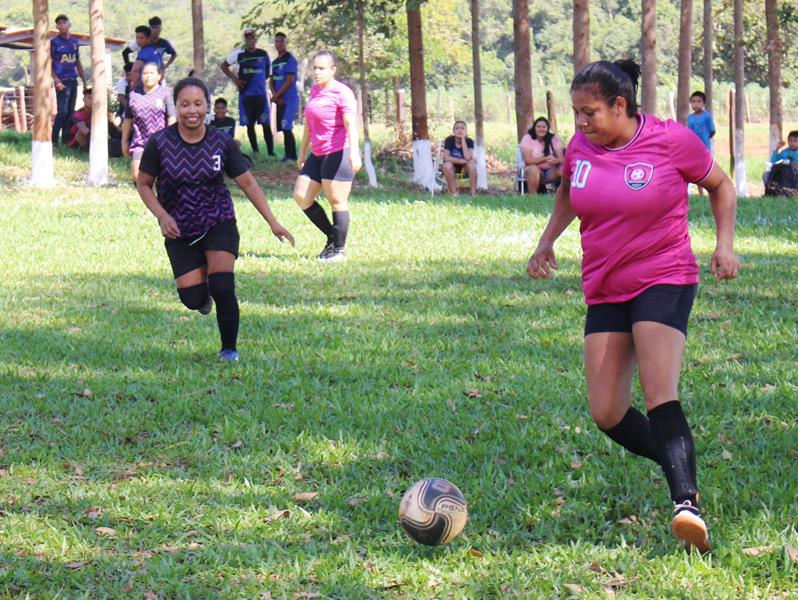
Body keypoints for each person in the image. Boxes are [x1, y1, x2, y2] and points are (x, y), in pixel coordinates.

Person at [526, 60, 739, 553]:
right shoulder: (581, 146)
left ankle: (686, 503)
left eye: (590, 112)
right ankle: (677, 459)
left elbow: (721, 186)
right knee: (606, 411)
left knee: (658, 391)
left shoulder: (670, 140)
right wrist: (546, 242)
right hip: (604, 283)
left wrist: (724, 245)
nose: (579, 124)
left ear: (620, 106)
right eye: (576, 113)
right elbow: (567, 194)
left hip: (664, 275)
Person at [136, 77, 294, 362]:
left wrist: (273, 221)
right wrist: (162, 215)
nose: (191, 110)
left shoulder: (221, 142)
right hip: (179, 229)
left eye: (198, 103)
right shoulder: (160, 143)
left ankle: (229, 350)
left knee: (223, 285)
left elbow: (247, 183)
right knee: (193, 299)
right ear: (177, 106)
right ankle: (201, 292)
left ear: (207, 106)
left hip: (218, 221)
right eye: (185, 104)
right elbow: (144, 183)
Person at [293, 50, 361, 262]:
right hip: (318, 152)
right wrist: (302, 152)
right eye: (314, 68)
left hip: (339, 151)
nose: (316, 72)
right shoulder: (314, 91)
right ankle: (333, 235)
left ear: (333, 70)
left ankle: (339, 250)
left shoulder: (342, 92)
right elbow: (308, 126)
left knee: (336, 200)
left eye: (321, 68)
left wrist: (355, 153)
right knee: (301, 195)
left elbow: (351, 123)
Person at [220, 29, 275, 156]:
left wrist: (260, 81)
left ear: (255, 39)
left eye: (252, 37)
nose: (250, 40)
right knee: (250, 124)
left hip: (260, 95)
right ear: (245, 40)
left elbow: (268, 72)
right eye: (248, 38)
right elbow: (223, 66)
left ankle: (271, 152)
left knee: (266, 124)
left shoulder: (263, 54)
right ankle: (255, 150)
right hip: (246, 95)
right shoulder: (239, 54)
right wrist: (235, 79)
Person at [122, 62, 176, 181]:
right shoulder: (133, 95)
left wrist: (171, 139)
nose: (148, 76)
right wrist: (124, 141)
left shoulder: (166, 94)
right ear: (141, 76)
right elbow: (128, 120)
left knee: (161, 177)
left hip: (161, 142)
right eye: (145, 73)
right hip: (139, 142)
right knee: (138, 176)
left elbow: (172, 118)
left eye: (152, 73)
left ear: (159, 76)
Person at [50, 14, 86, 145]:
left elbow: (78, 62)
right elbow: (49, 62)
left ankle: (66, 141)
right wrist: (56, 80)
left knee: (70, 112)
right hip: (62, 80)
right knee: (62, 112)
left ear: (69, 24)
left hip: (73, 80)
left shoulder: (75, 42)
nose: (61, 25)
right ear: (57, 26)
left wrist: (84, 81)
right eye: (59, 23)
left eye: (64, 22)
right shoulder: (54, 42)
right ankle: (53, 141)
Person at [269, 32, 299, 161]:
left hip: (290, 98)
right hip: (279, 99)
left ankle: (291, 156)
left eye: (282, 41)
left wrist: (277, 96)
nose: (279, 43)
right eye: (277, 41)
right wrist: (275, 96)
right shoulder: (274, 62)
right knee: (283, 126)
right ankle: (288, 155)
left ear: (286, 43)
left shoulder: (290, 60)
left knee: (287, 125)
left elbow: (289, 81)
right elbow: (271, 81)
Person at [65, 87, 122, 155]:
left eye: (94, 98)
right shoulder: (78, 114)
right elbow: (84, 130)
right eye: (89, 98)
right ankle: (87, 150)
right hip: (76, 143)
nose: (92, 101)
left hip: (94, 140)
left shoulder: (101, 113)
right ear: (84, 99)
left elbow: (114, 128)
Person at [520, 116, 564, 194]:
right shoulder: (528, 138)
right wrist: (545, 158)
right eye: (538, 127)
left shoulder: (554, 139)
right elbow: (528, 161)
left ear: (548, 128)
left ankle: (564, 195)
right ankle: (533, 196)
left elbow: (562, 159)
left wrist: (556, 161)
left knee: (564, 168)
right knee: (533, 169)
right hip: (534, 170)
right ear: (534, 128)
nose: (541, 129)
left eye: (544, 127)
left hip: (551, 171)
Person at [442, 121, 476, 196]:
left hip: (465, 169)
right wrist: (461, 161)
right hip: (452, 168)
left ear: (466, 131)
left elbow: (468, 157)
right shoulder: (449, 140)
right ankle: (455, 193)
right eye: (457, 128)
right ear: (454, 131)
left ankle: (473, 193)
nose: (460, 130)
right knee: (447, 165)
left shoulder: (469, 141)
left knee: (472, 165)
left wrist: (463, 139)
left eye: (462, 128)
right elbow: (446, 157)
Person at [763, 130, 798, 196]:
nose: (792, 143)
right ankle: (772, 191)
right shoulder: (786, 152)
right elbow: (773, 161)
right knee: (766, 175)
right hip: (785, 172)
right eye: (790, 141)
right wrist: (777, 149)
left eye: (795, 141)